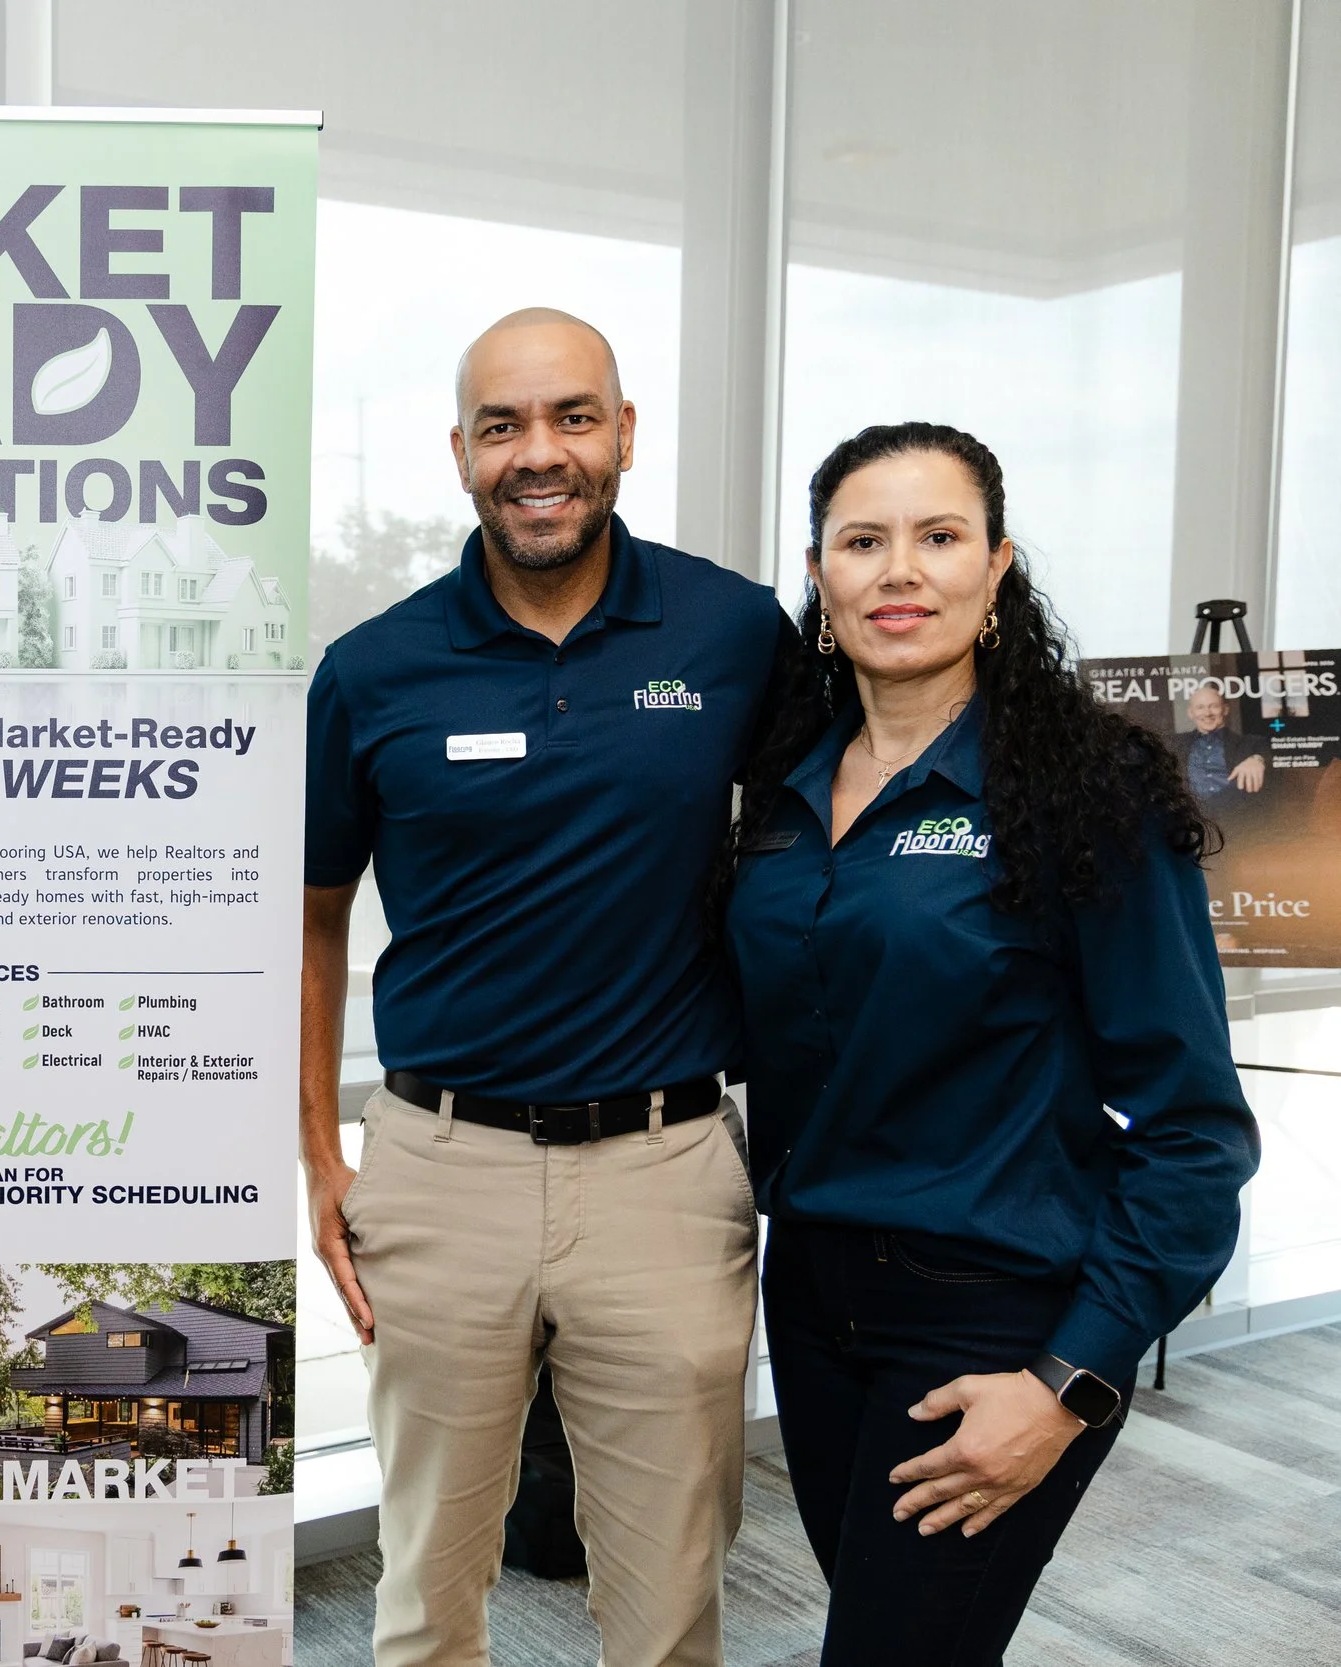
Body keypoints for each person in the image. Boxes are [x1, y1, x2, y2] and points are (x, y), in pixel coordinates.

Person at [721, 422, 1260, 1665]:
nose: (898, 570)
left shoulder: (1086, 791)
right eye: (863, 540)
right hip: (807, 1299)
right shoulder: (781, 783)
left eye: (938, 536)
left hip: (994, 1320)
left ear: (996, 566)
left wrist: (1070, 1379)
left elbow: (1192, 1130)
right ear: (818, 575)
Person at [302, 308, 794, 1667]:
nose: (542, 453)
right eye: (505, 425)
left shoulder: (735, 632)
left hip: (668, 1166)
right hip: (439, 1164)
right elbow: (313, 909)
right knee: (424, 1598)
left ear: (624, 434)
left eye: (573, 416)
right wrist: (315, 1153)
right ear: (460, 452)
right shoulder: (374, 668)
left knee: (670, 1602)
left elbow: (849, 822)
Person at [1170, 684, 1268, 809]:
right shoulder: (1174, 742)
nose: (1207, 713)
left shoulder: (1251, 743)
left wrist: (1257, 759)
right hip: (1187, 815)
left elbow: (1268, 753)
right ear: (1190, 713)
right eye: (1200, 707)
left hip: (1235, 816)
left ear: (1225, 710)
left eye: (1214, 706)